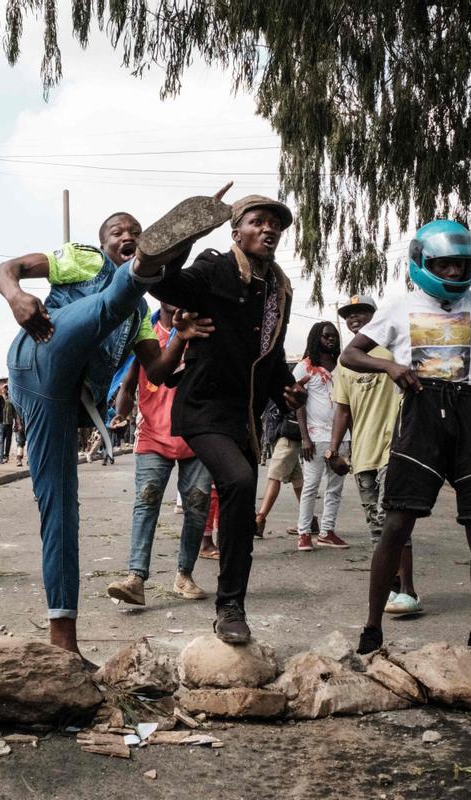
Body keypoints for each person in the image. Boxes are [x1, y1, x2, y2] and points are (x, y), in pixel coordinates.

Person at [0, 193, 231, 655]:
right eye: (116, 233)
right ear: (104, 244)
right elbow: (6, 268)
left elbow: (158, 372)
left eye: (135, 233)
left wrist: (180, 338)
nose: (124, 235)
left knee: (61, 510)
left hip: (63, 400)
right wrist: (16, 297)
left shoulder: (142, 316)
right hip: (40, 351)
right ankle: (151, 267)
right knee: (109, 302)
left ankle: (64, 642)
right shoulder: (80, 258)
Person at [340, 219, 471, 661]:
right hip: (420, 415)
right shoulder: (399, 307)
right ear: (423, 264)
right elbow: (350, 354)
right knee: (396, 525)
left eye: (460, 265)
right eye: (444, 265)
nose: (453, 273)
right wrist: (390, 367)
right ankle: (372, 628)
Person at [146, 194, 309, 645]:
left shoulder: (279, 288)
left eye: (274, 224)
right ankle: (229, 606)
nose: (268, 229)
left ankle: (233, 604)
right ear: (236, 231)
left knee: (238, 506)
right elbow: (164, 284)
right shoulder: (216, 268)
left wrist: (285, 388)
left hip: (245, 418)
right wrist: (189, 229)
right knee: (237, 483)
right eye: (257, 221)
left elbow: (270, 357)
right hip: (202, 407)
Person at [106, 303, 214, 607]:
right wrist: (122, 414)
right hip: (153, 435)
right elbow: (127, 386)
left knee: (197, 505)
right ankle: (136, 578)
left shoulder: (201, 334)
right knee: (147, 500)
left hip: (195, 435)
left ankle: (185, 575)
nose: (177, 298)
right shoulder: (147, 337)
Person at [326, 295, 417, 614]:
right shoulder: (345, 361)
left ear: (374, 317)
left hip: (395, 449)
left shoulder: (393, 352)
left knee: (395, 522)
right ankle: (392, 589)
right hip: (362, 454)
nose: (354, 319)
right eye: (349, 315)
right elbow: (342, 408)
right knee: (377, 527)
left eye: (361, 313)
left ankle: (409, 590)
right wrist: (334, 449)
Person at [295, 321, 350, 551]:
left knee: (335, 487)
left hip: (341, 436)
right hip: (315, 438)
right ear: (316, 338)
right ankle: (304, 533)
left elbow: (348, 404)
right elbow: (298, 403)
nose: (331, 339)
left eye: (334, 336)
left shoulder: (343, 366)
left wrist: (353, 438)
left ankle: (327, 531)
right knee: (311, 486)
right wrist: (304, 438)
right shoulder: (304, 367)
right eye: (326, 336)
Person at [254, 400, 305, 538]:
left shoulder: (290, 380)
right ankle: (310, 519)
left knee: (274, 476)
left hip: (287, 433)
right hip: (279, 432)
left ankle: (260, 519)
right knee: (298, 480)